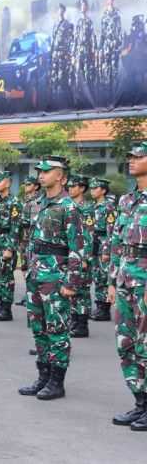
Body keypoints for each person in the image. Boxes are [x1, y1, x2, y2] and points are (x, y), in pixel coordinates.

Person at [18, 155, 84, 400]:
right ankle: (43, 375)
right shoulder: (40, 203)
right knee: (38, 327)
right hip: (37, 272)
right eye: (40, 171)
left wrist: (71, 282)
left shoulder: (69, 207)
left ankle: (57, 381)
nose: (41, 175)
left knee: (56, 328)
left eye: (47, 171)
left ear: (61, 176)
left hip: (56, 274)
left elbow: (79, 247)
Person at [107, 141, 147, 430]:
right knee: (126, 342)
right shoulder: (126, 200)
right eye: (130, 156)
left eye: (139, 156)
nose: (132, 160)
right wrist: (111, 281)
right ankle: (140, 401)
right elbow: (116, 243)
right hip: (124, 278)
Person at [0, 171, 21, 322]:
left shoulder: (14, 202)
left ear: (7, 183)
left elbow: (16, 228)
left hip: (6, 241)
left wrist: (10, 248)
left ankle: (6, 309)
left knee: (6, 276)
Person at [67, 174, 94, 337]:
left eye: (74, 186)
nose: (70, 189)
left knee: (82, 289)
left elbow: (89, 235)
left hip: (82, 253)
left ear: (82, 188)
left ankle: (82, 324)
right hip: (70, 253)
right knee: (71, 286)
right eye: (69, 186)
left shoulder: (87, 208)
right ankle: (74, 320)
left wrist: (85, 258)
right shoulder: (68, 206)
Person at [89, 177, 117, 321]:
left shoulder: (109, 207)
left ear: (103, 191)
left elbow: (111, 231)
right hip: (94, 244)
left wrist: (106, 251)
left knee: (104, 276)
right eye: (91, 188)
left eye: (95, 188)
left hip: (103, 244)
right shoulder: (93, 207)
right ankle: (99, 306)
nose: (92, 191)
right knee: (97, 276)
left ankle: (104, 309)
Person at [16, 175, 43, 306]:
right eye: (25, 185)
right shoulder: (26, 200)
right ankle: (28, 293)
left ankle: (34, 295)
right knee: (25, 267)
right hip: (24, 240)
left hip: (32, 240)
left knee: (34, 269)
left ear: (36, 186)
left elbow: (33, 221)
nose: (26, 187)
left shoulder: (38, 201)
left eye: (28, 184)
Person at [99, 0, 123, 101]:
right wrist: (100, 47)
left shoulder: (117, 14)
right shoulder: (104, 15)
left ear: (114, 0)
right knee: (106, 71)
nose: (111, 0)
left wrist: (119, 44)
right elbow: (102, 32)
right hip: (106, 47)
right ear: (107, 0)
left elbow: (119, 30)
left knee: (114, 71)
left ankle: (114, 97)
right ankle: (106, 97)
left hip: (115, 47)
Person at [50, 4, 74, 106]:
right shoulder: (55, 25)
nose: (59, 11)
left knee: (62, 78)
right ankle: (56, 102)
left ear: (64, 11)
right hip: (55, 55)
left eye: (61, 9)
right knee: (54, 79)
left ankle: (66, 103)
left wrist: (68, 54)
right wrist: (51, 55)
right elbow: (53, 40)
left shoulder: (67, 24)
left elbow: (70, 40)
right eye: (58, 9)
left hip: (62, 55)